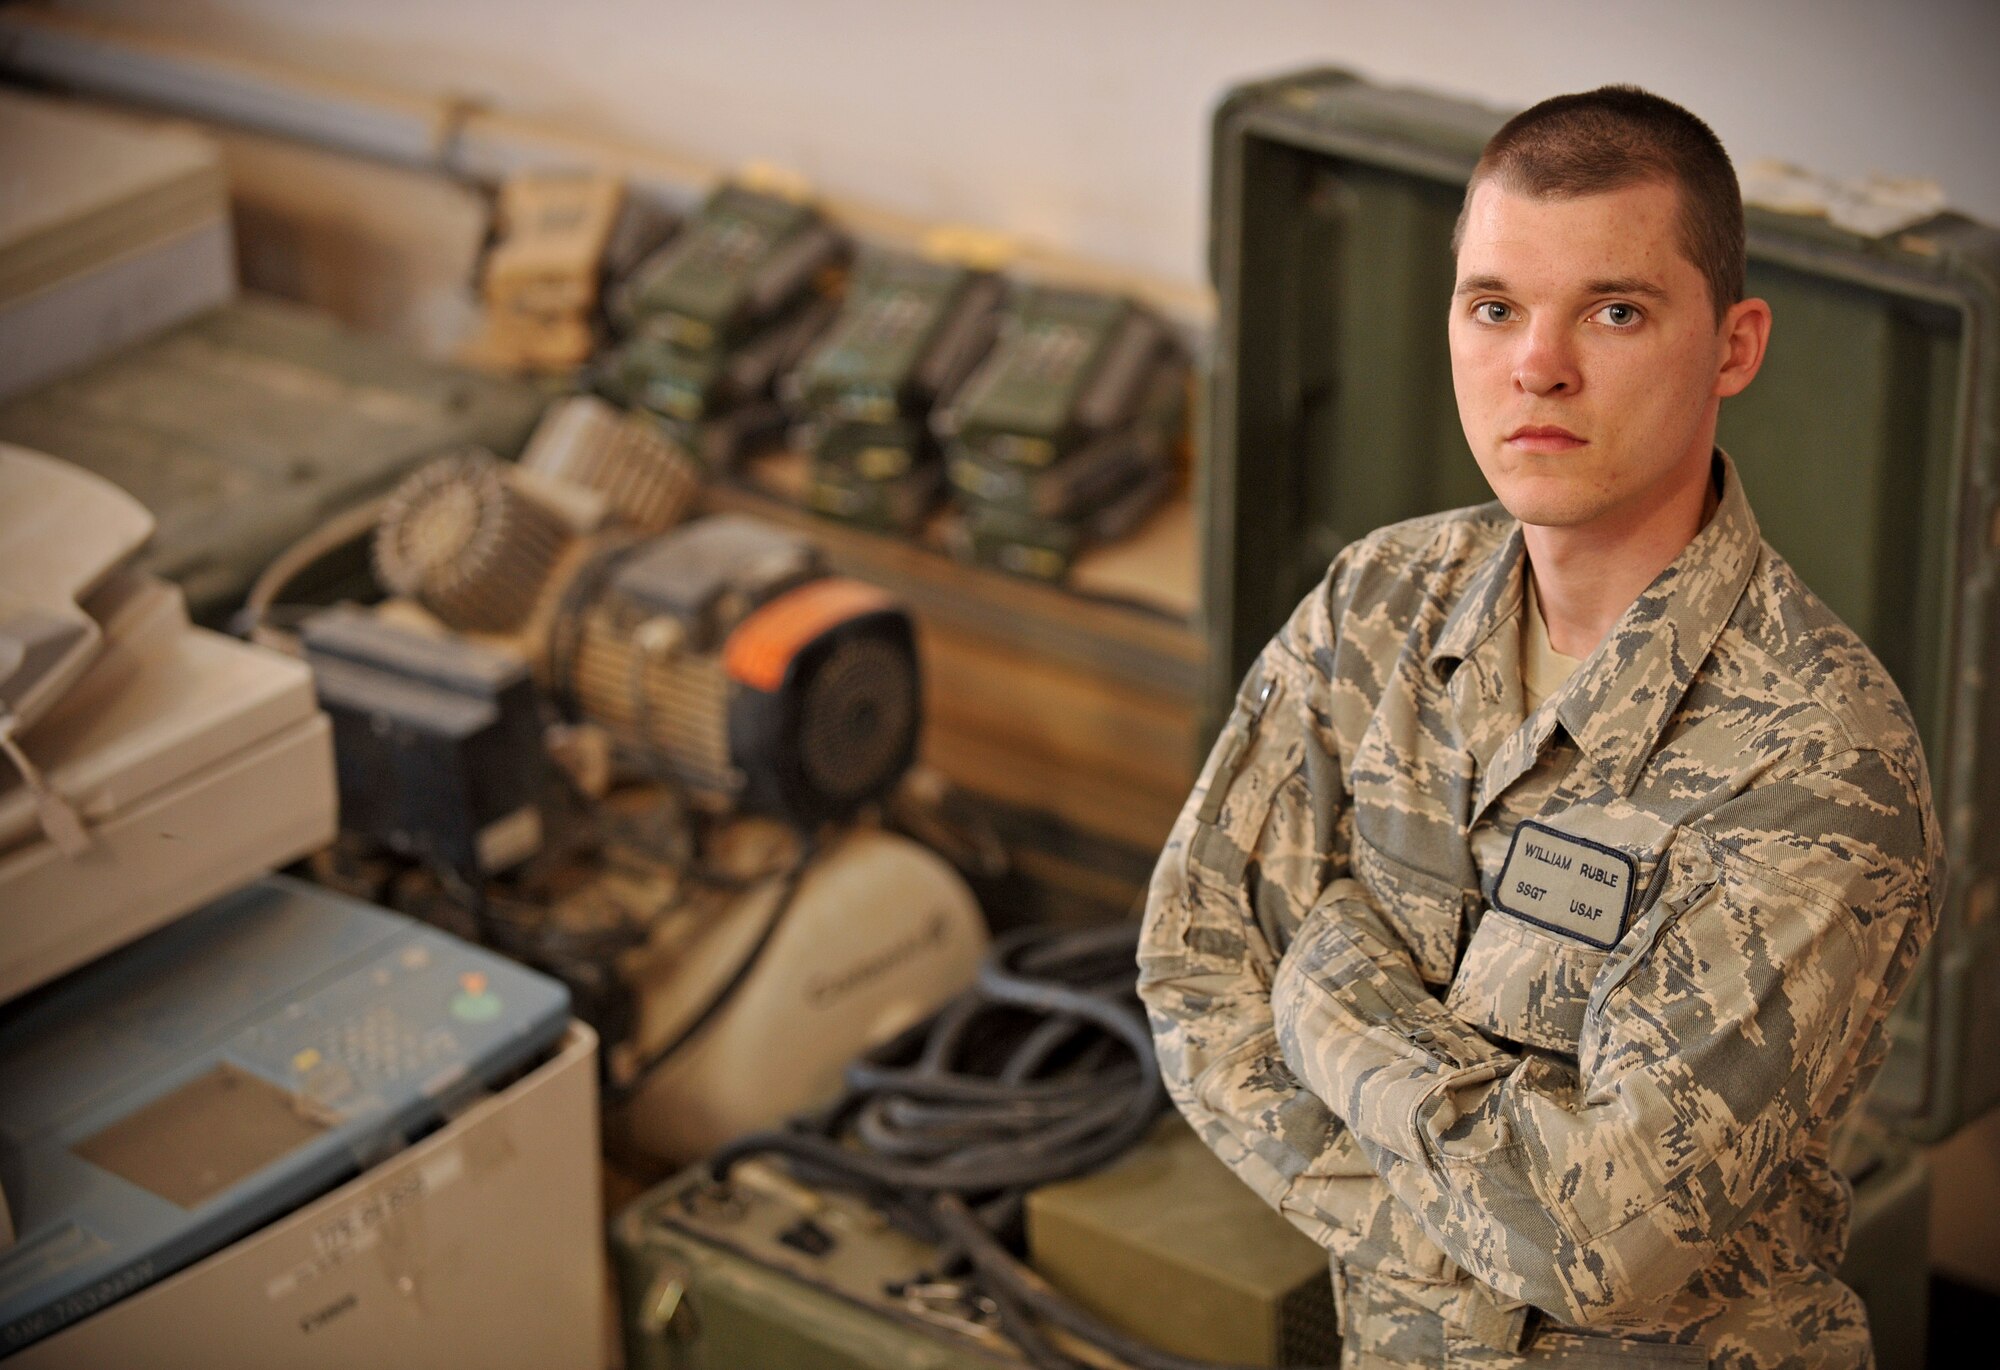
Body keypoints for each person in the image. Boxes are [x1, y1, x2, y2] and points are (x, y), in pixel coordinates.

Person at [1137, 86, 1941, 1369]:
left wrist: (1326, 979)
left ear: (1733, 347)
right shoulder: (1378, 602)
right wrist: (1445, 1242)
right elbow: (1190, 965)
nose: (1537, 365)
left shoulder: (1815, 759)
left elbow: (1603, 1248)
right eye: (1493, 306)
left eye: (1612, 311)